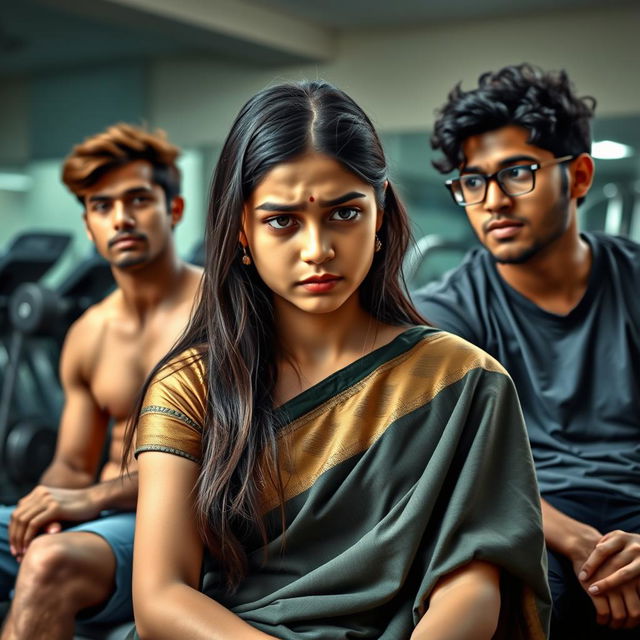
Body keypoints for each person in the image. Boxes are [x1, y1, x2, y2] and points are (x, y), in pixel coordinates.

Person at [123, 80, 550, 640]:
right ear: (241, 232)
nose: (317, 248)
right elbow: (161, 598)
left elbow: (471, 584)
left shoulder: (463, 380)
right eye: (282, 221)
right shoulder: (192, 385)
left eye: (345, 214)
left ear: (380, 218)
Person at [412, 63, 640, 638]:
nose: (491, 201)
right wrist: (579, 542)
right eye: (472, 181)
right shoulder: (447, 314)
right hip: (528, 517)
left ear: (579, 176)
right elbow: (460, 468)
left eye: (517, 173)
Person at [0, 124, 202, 640]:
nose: (122, 218)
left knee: (48, 563)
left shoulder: (217, 315)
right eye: (102, 205)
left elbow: (215, 461)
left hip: (170, 519)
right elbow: (72, 462)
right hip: (97, 514)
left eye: (138, 200)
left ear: (173, 210)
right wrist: (43, 506)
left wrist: (88, 501)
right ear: (89, 226)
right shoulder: (89, 334)